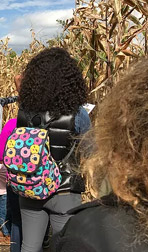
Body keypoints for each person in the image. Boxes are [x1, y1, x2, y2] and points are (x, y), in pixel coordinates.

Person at [51, 59, 148, 252]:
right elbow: (88, 149)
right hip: (66, 185)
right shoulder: (80, 115)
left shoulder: (87, 232)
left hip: (31, 180)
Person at [16, 47, 91, 252]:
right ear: (70, 81)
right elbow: (90, 152)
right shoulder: (78, 114)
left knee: (30, 246)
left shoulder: (24, 111)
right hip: (64, 191)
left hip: (30, 185)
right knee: (63, 246)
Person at [0, 118, 23, 251]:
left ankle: (12, 238)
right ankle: (45, 239)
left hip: (16, 180)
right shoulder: (53, 121)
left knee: (17, 218)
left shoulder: (13, 124)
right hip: (44, 183)